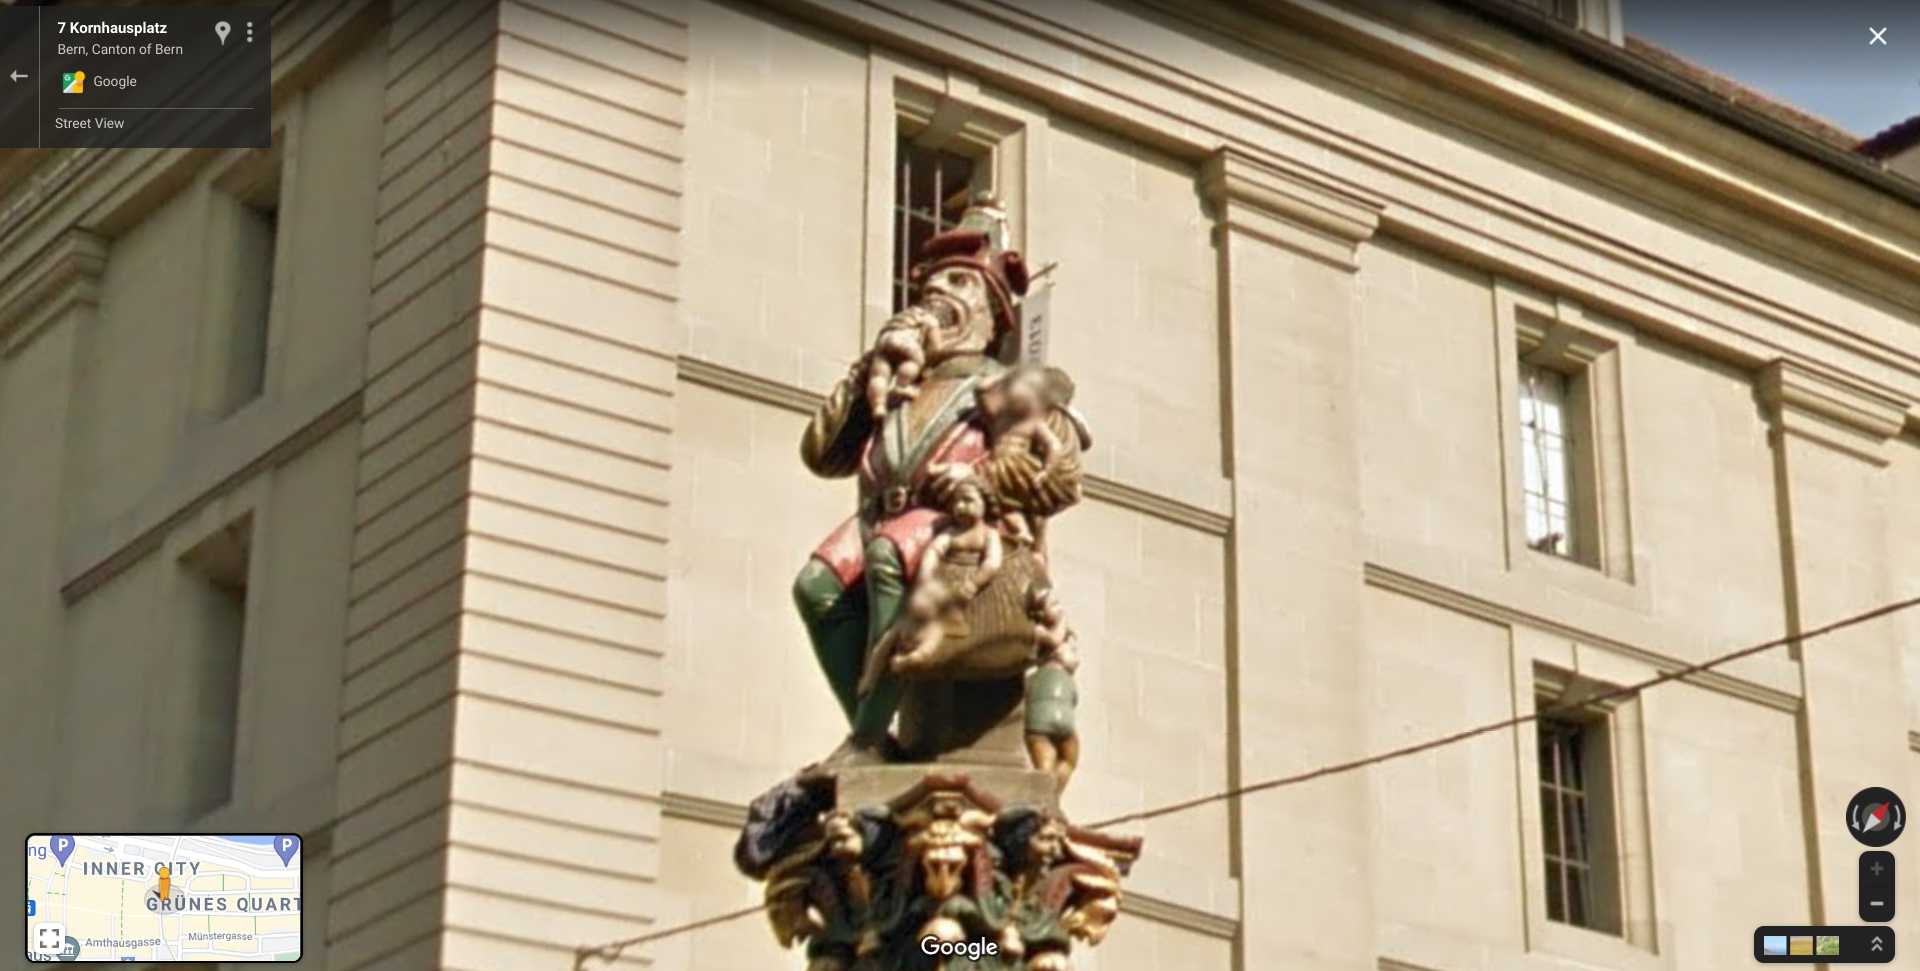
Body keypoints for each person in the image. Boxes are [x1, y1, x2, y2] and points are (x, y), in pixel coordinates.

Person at [791, 202, 1086, 767]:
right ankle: (868, 727)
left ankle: (868, 737)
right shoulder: (895, 381)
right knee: (815, 586)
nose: (934, 292)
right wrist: (868, 370)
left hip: (957, 534)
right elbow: (822, 455)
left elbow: (1063, 476)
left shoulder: (1010, 387)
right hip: (883, 517)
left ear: (992, 311)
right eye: (930, 282)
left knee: (885, 555)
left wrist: (982, 480)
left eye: (958, 281)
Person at [890, 476, 1005, 675]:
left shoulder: (989, 534)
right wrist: (925, 577)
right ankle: (903, 653)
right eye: (957, 501)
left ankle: (918, 656)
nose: (960, 506)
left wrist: (974, 583)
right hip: (944, 587)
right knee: (918, 621)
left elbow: (993, 562)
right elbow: (933, 552)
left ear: (985, 503)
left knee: (951, 626)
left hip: (974, 589)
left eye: (968, 500)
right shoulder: (951, 533)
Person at [1022, 585, 1080, 789]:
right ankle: (1048, 795)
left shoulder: (1041, 677)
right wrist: (1062, 620)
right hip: (1051, 720)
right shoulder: (1043, 635)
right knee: (1064, 761)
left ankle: (1049, 795)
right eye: (1054, 605)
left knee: (1053, 764)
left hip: (1044, 721)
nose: (1059, 608)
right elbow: (1057, 641)